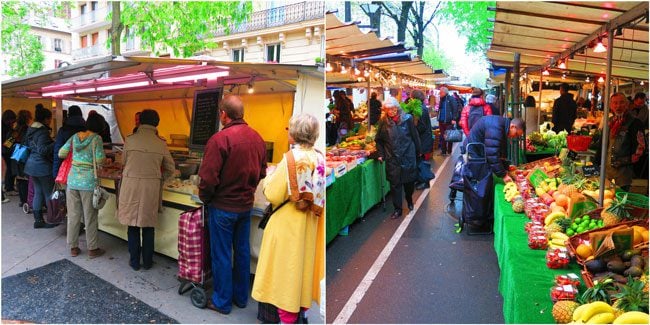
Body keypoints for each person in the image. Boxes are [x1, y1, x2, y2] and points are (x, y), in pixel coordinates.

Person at [252, 113, 325, 324]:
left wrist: (269, 176)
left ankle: (287, 319)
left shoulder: (290, 159)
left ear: (294, 133)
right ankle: (302, 314)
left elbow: (273, 194)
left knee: (285, 276)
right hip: (308, 223)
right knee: (301, 270)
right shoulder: (319, 157)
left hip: (287, 225)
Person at [198, 95, 267, 315]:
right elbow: (262, 172)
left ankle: (222, 301)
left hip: (223, 207)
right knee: (243, 252)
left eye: (220, 112)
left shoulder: (219, 140)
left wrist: (206, 198)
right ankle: (241, 298)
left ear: (224, 114)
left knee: (222, 254)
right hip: (245, 206)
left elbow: (208, 178)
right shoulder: (257, 138)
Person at [117, 110, 175, 270]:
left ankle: (134, 261)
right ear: (157, 123)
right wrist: (159, 179)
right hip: (151, 188)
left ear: (140, 122)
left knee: (132, 225)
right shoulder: (161, 143)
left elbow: (123, 162)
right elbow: (171, 168)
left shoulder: (129, 140)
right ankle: (148, 262)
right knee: (148, 226)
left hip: (131, 187)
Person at [58, 113, 107, 257]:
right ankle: (92, 249)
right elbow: (99, 160)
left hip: (72, 181)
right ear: (99, 126)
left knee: (73, 215)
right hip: (88, 182)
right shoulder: (96, 139)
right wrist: (103, 160)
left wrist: (76, 157)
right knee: (90, 217)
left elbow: (61, 153)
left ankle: (73, 248)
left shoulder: (74, 137)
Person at [375, 97, 421, 219]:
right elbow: (378, 140)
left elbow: (415, 136)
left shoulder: (408, 119)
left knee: (409, 183)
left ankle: (409, 199)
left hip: (407, 156)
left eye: (393, 108)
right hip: (392, 157)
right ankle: (397, 209)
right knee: (395, 185)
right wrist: (381, 154)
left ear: (397, 107)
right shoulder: (383, 121)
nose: (391, 111)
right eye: (388, 109)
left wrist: (418, 152)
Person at [603, 93, 646, 192]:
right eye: (615, 103)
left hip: (623, 173)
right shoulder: (610, 121)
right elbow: (604, 143)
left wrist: (623, 161)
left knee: (619, 200)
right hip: (607, 171)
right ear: (611, 106)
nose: (618, 106)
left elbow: (641, 148)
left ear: (627, 105)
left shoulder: (635, 123)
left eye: (622, 102)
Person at [23, 106, 57, 229]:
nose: (50, 121)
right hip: (42, 167)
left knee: (38, 192)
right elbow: (43, 150)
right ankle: (52, 219)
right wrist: (55, 143)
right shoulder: (42, 131)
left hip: (31, 165)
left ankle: (38, 220)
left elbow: (27, 146)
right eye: (49, 119)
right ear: (45, 119)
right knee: (48, 193)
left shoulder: (31, 129)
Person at [468, 116, 524, 180]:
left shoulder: (502, 126)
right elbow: (492, 154)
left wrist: (506, 166)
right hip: (474, 151)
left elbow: (496, 151)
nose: (515, 137)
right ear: (512, 127)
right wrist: (504, 175)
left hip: (478, 150)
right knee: (481, 181)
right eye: (516, 134)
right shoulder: (496, 128)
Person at [53, 105, 86, 178]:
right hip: (84, 168)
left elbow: (58, 152)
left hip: (67, 167)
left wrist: (55, 172)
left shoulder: (63, 130)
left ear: (69, 115)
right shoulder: (87, 130)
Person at [411, 90, 433, 190]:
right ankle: (421, 180)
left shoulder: (420, 109)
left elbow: (422, 127)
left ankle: (425, 181)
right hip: (423, 139)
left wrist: (413, 129)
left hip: (422, 140)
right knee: (420, 161)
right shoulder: (421, 108)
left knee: (421, 162)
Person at [12, 110, 32, 207]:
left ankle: (22, 200)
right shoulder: (28, 130)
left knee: (19, 179)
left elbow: (7, 143)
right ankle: (26, 200)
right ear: (28, 118)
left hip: (16, 156)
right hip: (25, 156)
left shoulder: (15, 130)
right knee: (26, 179)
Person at [437, 87, 460, 156]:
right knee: (442, 136)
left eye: (440, 92)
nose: (439, 93)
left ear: (444, 92)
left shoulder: (451, 99)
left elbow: (455, 109)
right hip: (441, 121)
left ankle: (449, 151)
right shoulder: (441, 99)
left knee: (449, 136)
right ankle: (443, 151)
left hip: (449, 121)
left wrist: (454, 119)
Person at [2, 110, 17, 199]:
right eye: (12, 120)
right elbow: (6, 144)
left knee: (8, 169)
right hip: (5, 151)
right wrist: (13, 137)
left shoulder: (5, 126)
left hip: (5, 151)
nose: (13, 123)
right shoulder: (4, 128)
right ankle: (9, 188)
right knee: (8, 170)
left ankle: (8, 187)